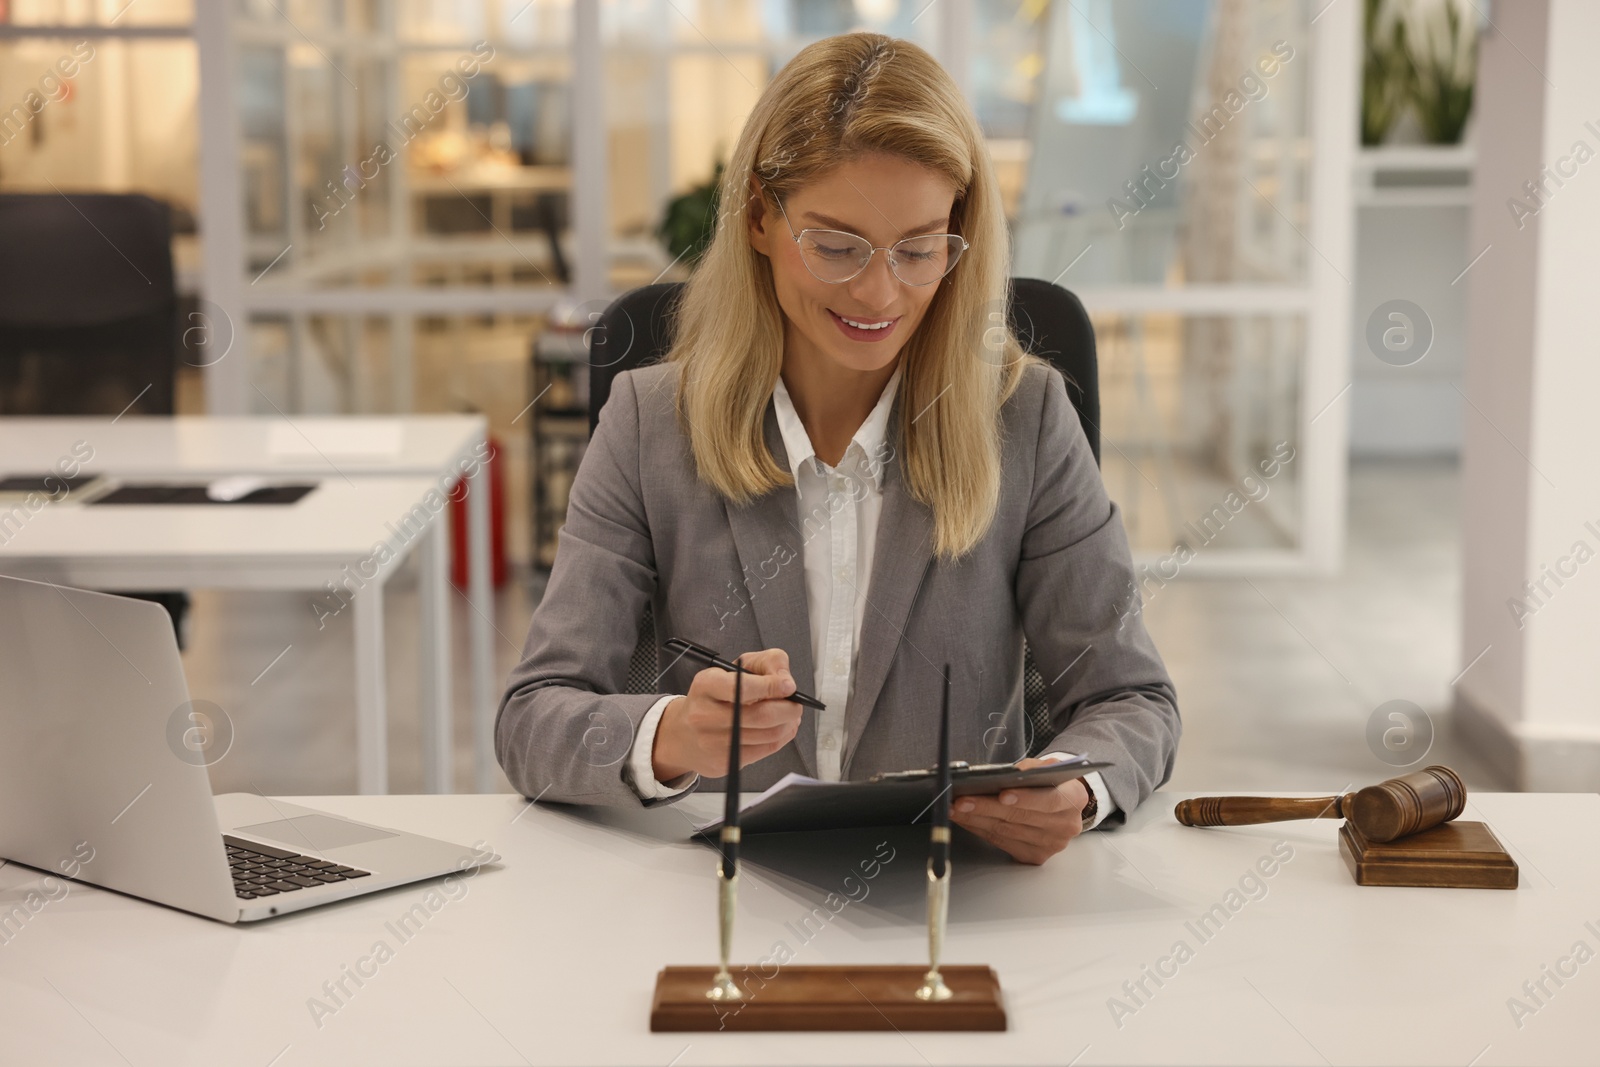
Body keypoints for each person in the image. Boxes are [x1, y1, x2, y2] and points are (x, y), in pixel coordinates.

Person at [497, 31, 1179, 865]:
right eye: (835, 244)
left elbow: (1132, 698)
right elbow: (533, 719)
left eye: (920, 248)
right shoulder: (648, 424)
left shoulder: (1026, 417)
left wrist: (1080, 788)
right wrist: (672, 734)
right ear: (757, 216)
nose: (878, 290)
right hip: (716, 903)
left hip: (955, 906)